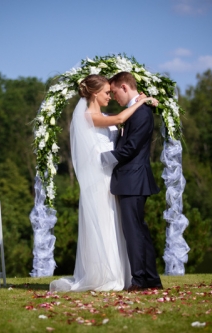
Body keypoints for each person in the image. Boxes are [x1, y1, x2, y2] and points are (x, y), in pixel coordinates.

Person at [49, 74, 156, 292]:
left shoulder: (104, 114)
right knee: (106, 225)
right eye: (107, 92)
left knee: (118, 226)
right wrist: (140, 102)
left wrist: (140, 103)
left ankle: (125, 274)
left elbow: (119, 121)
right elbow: (119, 120)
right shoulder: (88, 115)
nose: (110, 96)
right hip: (100, 177)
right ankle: (104, 274)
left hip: (115, 177)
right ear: (95, 93)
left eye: (112, 91)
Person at [102, 71, 163, 291]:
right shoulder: (135, 111)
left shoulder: (141, 113)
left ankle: (139, 281)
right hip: (132, 180)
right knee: (139, 230)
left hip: (133, 180)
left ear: (125, 87)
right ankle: (151, 279)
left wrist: (102, 160)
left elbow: (130, 148)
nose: (114, 97)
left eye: (115, 91)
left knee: (134, 232)